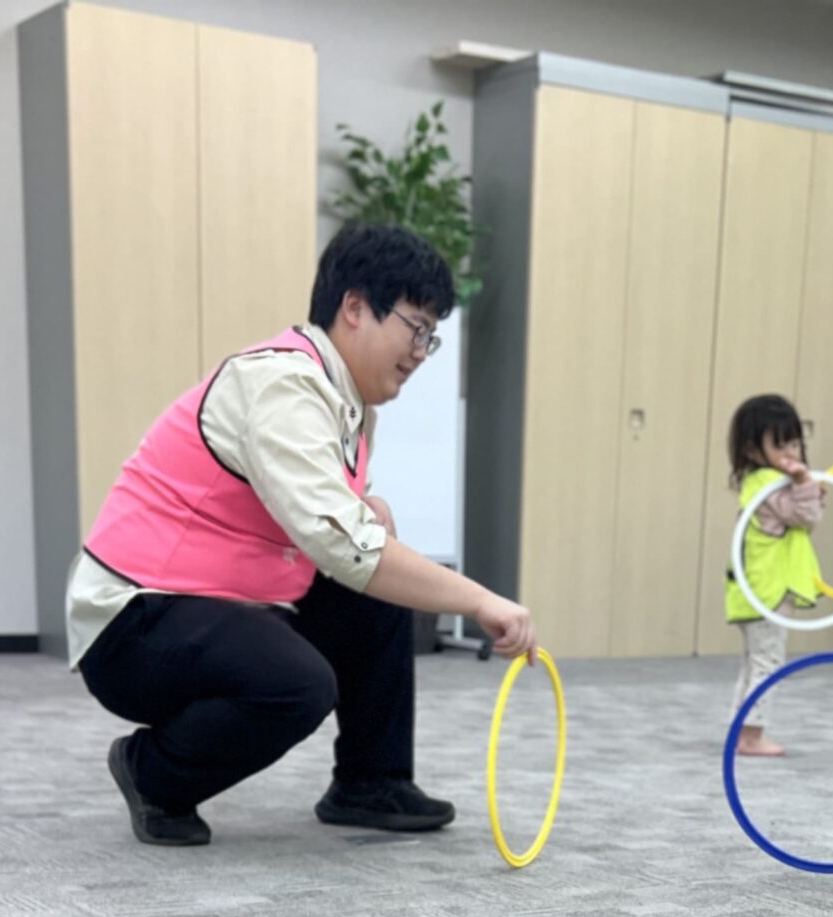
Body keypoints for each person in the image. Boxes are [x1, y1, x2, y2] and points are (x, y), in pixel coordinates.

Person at [67, 223, 534, 847]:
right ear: (354, 308)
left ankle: (371, 781)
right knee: (299, 682)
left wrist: (369, 507)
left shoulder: (348, 404)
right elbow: (343, 545)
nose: (421, 350)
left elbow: (327, 520)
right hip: (132, 620)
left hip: (226, 605)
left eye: (431, 334)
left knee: (384, 593)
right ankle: (153, 773)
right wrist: (480, 599)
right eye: (414, 327)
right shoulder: (284, 384)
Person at [722, 395, 826, 757]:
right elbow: (806, 518)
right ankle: (751, 735)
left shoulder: (757, 482)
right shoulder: (771, 483)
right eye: (781, 445)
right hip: (768, 592)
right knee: (767, 663)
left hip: (753, 590)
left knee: (754, 662)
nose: (792, 453)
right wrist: (804, 486)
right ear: (752, 451)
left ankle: (740, 730)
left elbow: (798, 513)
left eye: (795, 443)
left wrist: (805, 489)